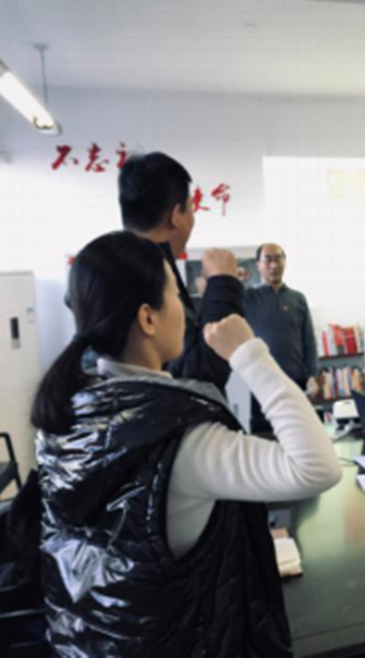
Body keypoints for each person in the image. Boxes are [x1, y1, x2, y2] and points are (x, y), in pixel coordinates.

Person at [32, 232, 342, 656]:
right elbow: (317, 467)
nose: (185, 308)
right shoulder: (181, 441)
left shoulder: (64, 413)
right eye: (176, 295)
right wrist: (248, 353)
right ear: (148, 318)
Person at [119, 152, 244, 390]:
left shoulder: (113, 268)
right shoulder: (147, 275)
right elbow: (200, 373)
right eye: (190, 209)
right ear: (176, 215)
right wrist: (223, 284)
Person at [245, 243, 321, 433]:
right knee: (263, 437)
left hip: (295, 382)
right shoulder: (248, 297)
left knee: (297, 434)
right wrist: (235, 281)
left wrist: (312, 376)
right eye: (268, 260)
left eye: (278, 259)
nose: (274, 265)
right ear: (258, 265)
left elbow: (309, 341)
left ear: (285, 262)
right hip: (261, 384)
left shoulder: (298, 299)